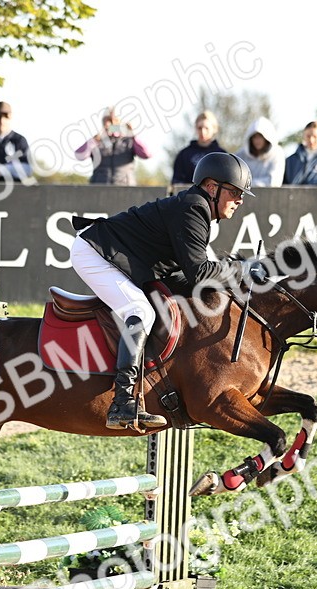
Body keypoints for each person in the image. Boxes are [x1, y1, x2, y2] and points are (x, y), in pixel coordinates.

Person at [72, 152, 257, 429]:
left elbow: (192, 276)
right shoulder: (193, 208)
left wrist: (233, 272)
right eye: (234, 192)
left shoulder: (200, 210)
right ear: (211, 187)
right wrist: (239, 270)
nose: (239, 200)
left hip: (125, 258)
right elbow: (200, 273)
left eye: (241, 194)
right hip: (95, 253)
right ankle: (122, 403)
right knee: (140, 310)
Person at [74, 107, 151, 186]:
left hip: (126, 188)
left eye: (113, 121)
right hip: (99, 189)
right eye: (107, 120)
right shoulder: (97, 141)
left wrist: (132, 135)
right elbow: (80, 156)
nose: (110, 124)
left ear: (120, 123)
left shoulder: (129, 140)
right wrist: (94, 140)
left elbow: (146, 154)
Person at [171, 111, 226, 184]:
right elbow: (177, 182)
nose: (203, 132)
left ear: (214, 129)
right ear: (195, 128)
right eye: (200, 128)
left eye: (206, 128)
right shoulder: (184, 154)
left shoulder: (222, 155)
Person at [235, 117, 283, 187]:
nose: (257, 140)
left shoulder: (277, 154)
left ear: (267, 138)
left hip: (269, 196)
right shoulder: (242, 154)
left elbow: (274, 182)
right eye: (254, 137)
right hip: (244, 196)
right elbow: (233, 177)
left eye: (260, 136)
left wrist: (246, 184)